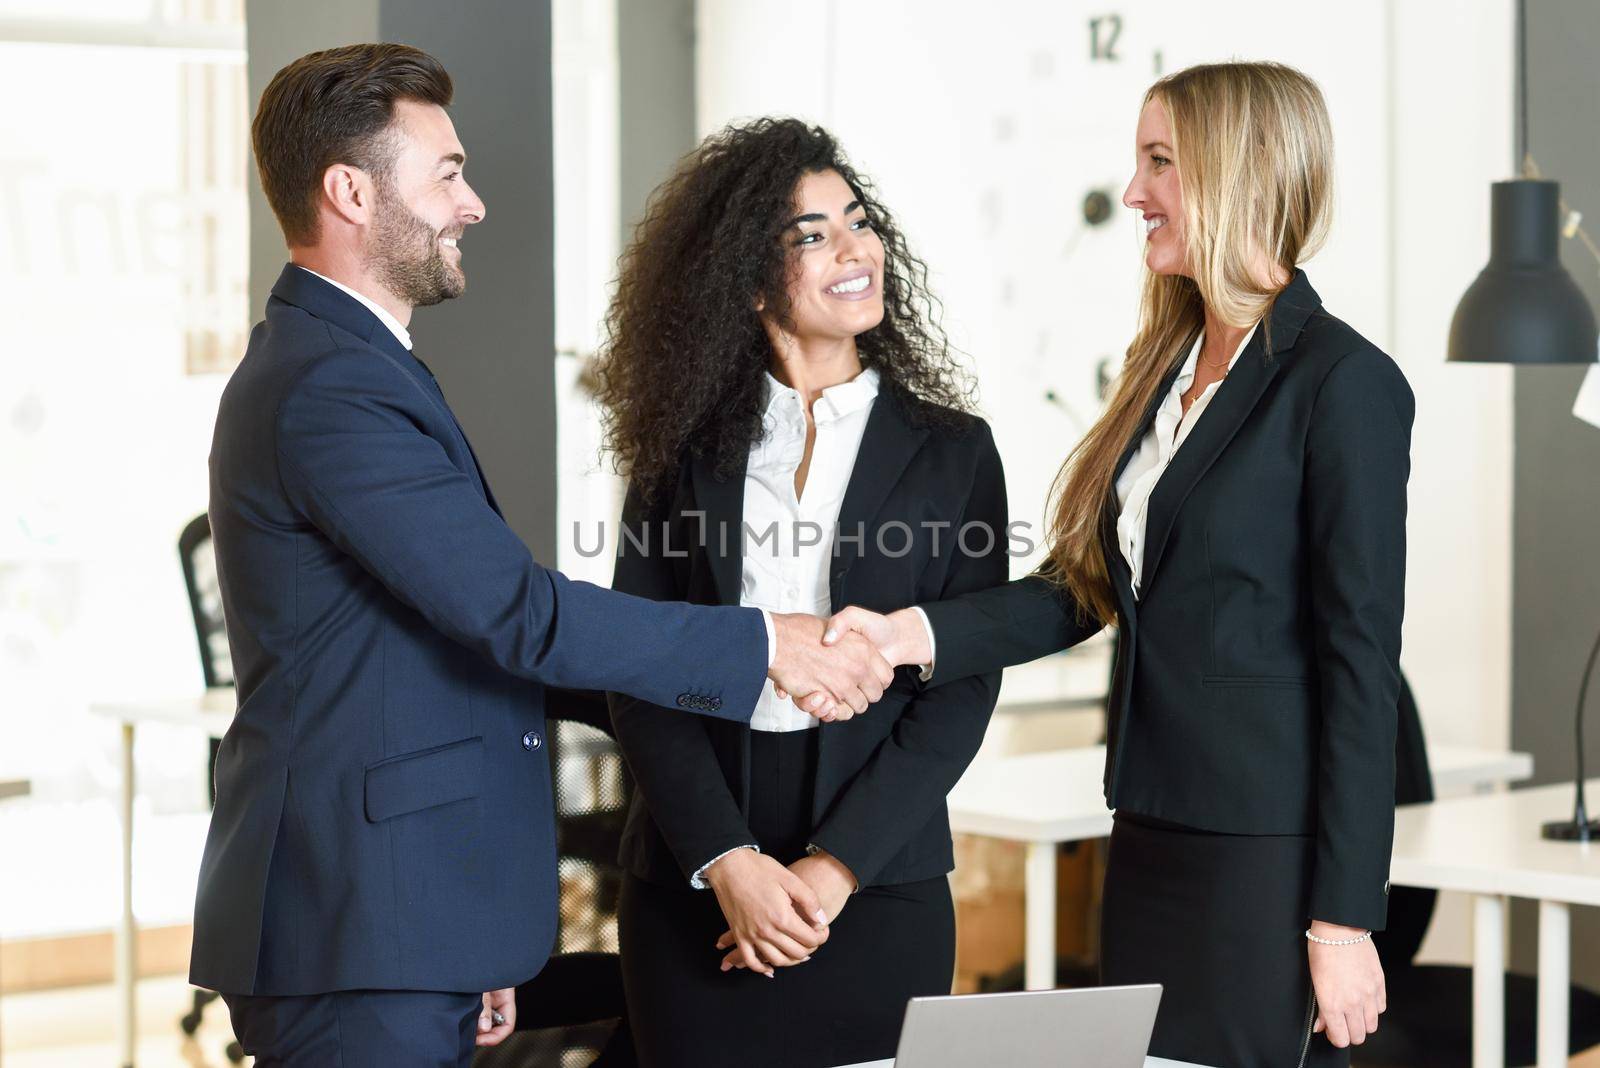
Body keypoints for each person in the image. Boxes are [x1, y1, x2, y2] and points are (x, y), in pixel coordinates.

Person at [192, 45, 891, 1067]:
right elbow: (515, 616)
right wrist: (762, 646)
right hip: (355, 937)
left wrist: (467, 939)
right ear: (349, 191)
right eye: (446, 173)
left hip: (402, 921)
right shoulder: (332, 388)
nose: (470, 204)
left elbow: (440, 656)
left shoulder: (358, 366)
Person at [825, 61, 1413, 1068]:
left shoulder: (1344, 385)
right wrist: (907, 635)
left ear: (1240, 171)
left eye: (1159, 163)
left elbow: (1359, 666)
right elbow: (1084, 586)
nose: (1134, 193)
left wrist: (1344, 922)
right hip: (1143, 834)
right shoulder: (1170, 368)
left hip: (1259, 863)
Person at [589, 117, 1007, 1068]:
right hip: (695, 865)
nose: (855, 248)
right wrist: (730, 864)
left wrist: (831, 871)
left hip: (879, 869)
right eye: (810, 234)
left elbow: (962, 683)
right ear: (744, 276)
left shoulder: (954, 453)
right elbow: (638, 668)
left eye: (857, 222)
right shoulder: (679, 453)